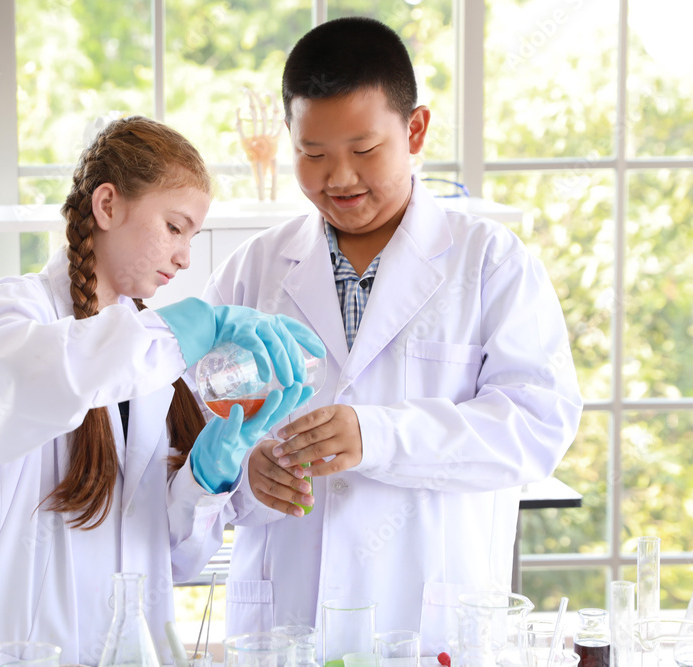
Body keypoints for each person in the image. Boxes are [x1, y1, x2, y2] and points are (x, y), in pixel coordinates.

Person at [206, 18, 584, 652]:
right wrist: (246, 471)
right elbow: (192, 431)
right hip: (287, 621)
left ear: (415, 131)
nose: (339, 178)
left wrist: (379, 435)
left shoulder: (489, 261)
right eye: (313, 154)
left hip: (430, 618)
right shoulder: (254, 270)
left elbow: (537, 426)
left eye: (363, 150)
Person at [0, 116, 323, 666]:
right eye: (174, 227)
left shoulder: (155, 367)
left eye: (192, 237)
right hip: (19, 652)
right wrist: (190, 327)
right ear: (108, 206)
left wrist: (204, 483)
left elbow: (174, 561)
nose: (185, 257)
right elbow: (44, 382)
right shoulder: (19, 312)